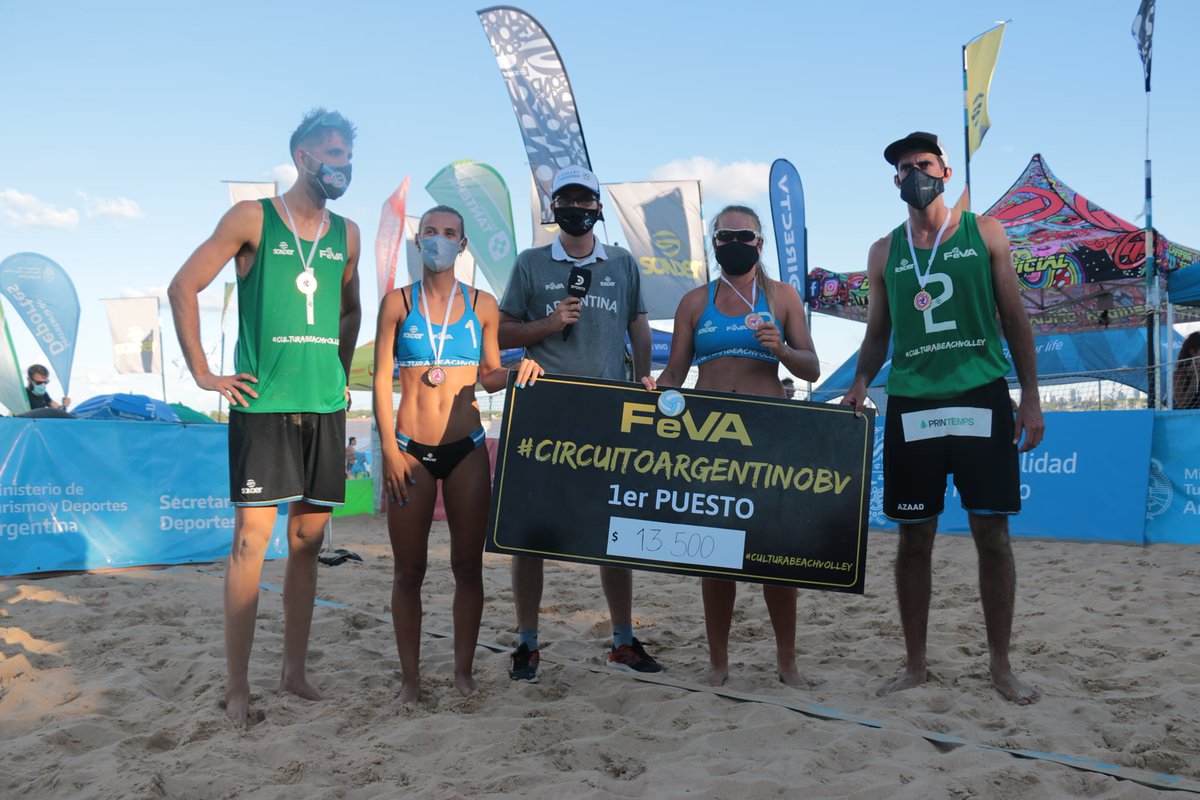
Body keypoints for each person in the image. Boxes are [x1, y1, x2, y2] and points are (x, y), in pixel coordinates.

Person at [168, 108, 362, 726]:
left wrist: (336, 371)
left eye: (349, 156)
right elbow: (183, 286)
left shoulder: (348, 234)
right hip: (262, 404)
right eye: (334, 155)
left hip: (323, 406)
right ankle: (237, 688)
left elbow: (350, 311)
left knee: (306, 544)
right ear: (304, 158)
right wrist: (203, 371)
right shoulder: (253, 217)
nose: (344, 167)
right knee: (251, 543)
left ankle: (294, 673)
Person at [843, 132, 1044, 705]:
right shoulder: (884, 250)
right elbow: (878, 332)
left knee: (993, 536)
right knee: (914, 540)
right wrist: (859, 382)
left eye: (923, 164)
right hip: (913, 402)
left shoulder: (984, 231)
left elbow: (1014, 316)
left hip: (981, 396)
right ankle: (915, 664)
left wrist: (1029, 395)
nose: (913, 174)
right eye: (904, 168)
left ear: (945, 170)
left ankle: (1001, 666)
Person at [643, 205, 819, 687]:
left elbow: (811, 368)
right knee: (714, 552)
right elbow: (676, 372)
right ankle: (718, 663)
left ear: (759, 243)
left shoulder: (782, 297)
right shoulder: (695, 302)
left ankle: (787, 663)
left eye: (744, 235)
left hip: (767, 433)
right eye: (724, 236)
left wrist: (780, 349)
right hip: (710, 437)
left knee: (775, 554)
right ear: (713, 243)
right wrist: (658, 386)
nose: (733, 243)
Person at [374, 205, 541, 702]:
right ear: (418, 239)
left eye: (450, 233)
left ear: (463, 245)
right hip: (409, 451)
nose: (439, 240)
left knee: (467, 567)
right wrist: (387, 449)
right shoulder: (397, 304)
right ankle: (411, 681)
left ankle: (462, 673)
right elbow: (380, 380)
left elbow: (488, 375)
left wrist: (516, 372)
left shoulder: (483, 304)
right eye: (431, 232)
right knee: (409, 570)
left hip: (466, 449)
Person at [498, 165, 656, 682]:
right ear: (553, 209)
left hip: (608, 408)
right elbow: (502, 329)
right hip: (543, 409)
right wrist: (548, 323)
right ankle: (526, 643)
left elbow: (637, 322)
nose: (577, 208)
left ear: (598, 208)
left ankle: (623, 639)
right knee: (530, 532)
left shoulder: (623, 264)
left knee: (614, 529)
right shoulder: (530, 263)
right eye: (566, 200)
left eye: (585, 200)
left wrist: (646, 374)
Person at [1173, 332, 1200, 410]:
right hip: (1189, 418)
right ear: (1193, 352)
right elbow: (1182, 404)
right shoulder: (1181, 373)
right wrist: (1195, 377)